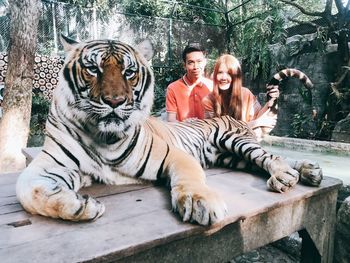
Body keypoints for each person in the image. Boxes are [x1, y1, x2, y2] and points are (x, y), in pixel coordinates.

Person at [202, 54, 278, 129]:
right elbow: (220, 131)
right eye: (220, 72)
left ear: (236, 76)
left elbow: (258, 117)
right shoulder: (208, 100)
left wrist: (271, 100)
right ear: (215, 75)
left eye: (229, 73)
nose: (224, 77)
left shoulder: (246, 93)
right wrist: (255, 123)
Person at [165, 43, 213, 122]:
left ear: (205, 62)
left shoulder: (212, 87)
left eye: (199, 61)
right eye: (191, 62)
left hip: (208, 132)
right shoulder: (172, 88)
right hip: (183, 132)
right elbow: (171, 120)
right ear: (184, 65)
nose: (196, 67)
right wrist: (185, 126)